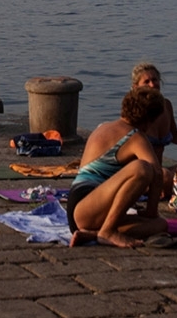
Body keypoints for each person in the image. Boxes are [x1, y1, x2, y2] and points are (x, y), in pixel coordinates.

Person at [66, 87, 171, 248]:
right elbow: (157, 174)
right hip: (84, 206)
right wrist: (151, 211)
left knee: (160, 225)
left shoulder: (103, 126)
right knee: (142, 169)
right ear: (149, 120)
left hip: (83, 213)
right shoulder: (135, 137)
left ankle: (93, 234)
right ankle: (107, 231)